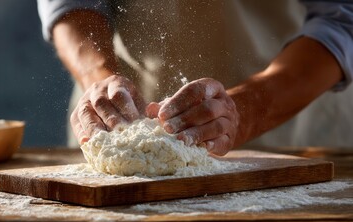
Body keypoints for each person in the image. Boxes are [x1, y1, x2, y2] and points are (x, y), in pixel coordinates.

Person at [38, 0, 353, 155]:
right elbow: (73, 3)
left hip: (292, 132)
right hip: (119, 130)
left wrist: (243, 113)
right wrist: (99, 77)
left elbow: (343, 18)